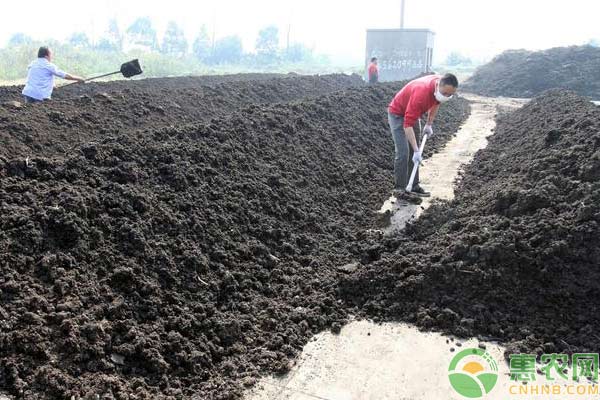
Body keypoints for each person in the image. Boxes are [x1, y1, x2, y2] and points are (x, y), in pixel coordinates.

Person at [387, 73, 458, 197]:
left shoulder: (439, 89)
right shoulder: (421, 93)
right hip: (398, 114)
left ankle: (413, 186)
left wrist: (429, 124)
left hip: (413, 114)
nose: (446, 96)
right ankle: (399, 189)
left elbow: (436, 103)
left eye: (450, 95)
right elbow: (407, 125)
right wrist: (416, 151)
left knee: (414, 151)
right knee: (404, 152)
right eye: (445, 93)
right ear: (438, 86)